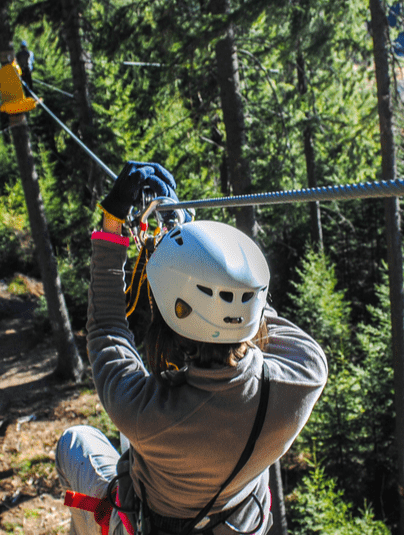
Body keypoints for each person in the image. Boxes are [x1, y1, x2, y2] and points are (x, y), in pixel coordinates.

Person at [55, 162, 327, 535]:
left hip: (152, 524)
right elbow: (254, 314)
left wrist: (112, 226)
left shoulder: (143, 411)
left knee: (74, 442)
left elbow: (106, 328)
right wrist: (187, 245)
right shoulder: (304, 375)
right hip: (239, 521)